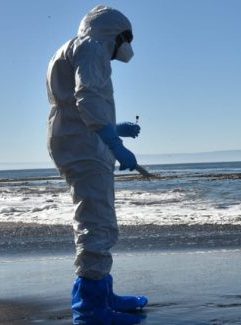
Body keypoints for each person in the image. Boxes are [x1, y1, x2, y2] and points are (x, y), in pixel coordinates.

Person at [46, 5, 147, 324]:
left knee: (99, 216)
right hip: (83, 145)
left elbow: (78, 108)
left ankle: (102, 294)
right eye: (126, 37)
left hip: (79, 139)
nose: (128, 45)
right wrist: (116, 147)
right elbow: (87, 99)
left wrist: (116, 130)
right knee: (96, 221)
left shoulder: (77, 48)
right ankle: (90, 310)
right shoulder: (91, 49)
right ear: (113, 32)